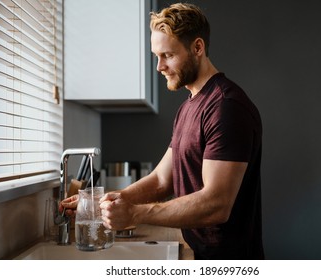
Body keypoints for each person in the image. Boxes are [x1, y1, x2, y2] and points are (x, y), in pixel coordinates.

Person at [61, 3, 264, 260]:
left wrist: (136, 213)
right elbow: (161, 180)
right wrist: (103, 204)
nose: (159, 67)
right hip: (198, 252)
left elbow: (217, 204)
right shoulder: (188, 107)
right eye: (156, 56)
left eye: (167, 55)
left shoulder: (226, 107)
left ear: (198, 48)